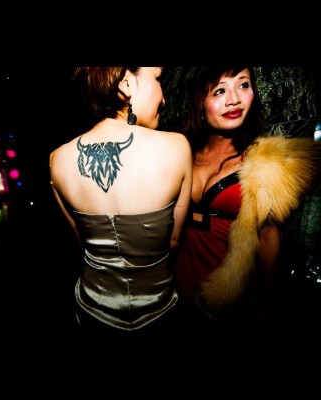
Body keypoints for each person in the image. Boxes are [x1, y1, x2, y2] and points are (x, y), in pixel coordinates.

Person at [174, 66, 321, 335]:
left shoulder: (261, 161)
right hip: (175, 285)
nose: (234, 100)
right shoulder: (180, 152)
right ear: (199, 101)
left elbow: (268, 236)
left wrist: (267, 302)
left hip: (228, 297)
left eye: (243, 85)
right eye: (220, 91)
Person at [49, 67, 192, 341]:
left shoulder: (57, 160)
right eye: (157, 79)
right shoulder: (177, 147)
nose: (163, 99)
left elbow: (81, 241)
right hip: (158, 314)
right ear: (126, 83)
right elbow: (173, 242)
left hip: (93, 312)